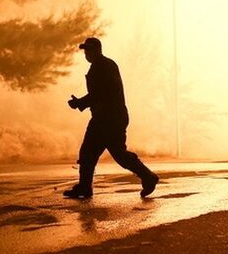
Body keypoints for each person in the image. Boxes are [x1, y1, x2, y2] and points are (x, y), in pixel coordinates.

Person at [64, 37, 158, 199]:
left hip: (111, 119)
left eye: (89, 50)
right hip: (103, 118)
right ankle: (85, 187)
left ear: (98, 50)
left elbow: (101, 93)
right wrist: (82, 102)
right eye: (85, 50)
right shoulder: (100, 66)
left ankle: (148, 177)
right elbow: (99, 94)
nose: (87, 53)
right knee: (88, 153)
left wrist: (80, 102)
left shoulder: (104, 66)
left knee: (118, 154)